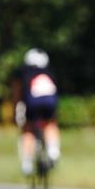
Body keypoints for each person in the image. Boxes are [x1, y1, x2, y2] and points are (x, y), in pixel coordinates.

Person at [10, 48, 60, 176]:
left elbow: (17, 93)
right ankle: (53, 151)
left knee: (28, 129)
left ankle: (27, 163)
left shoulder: (23, 72)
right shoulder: (50, 72)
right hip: (49, 103)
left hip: (32, 104)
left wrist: (15, 108)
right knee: (50, 124)